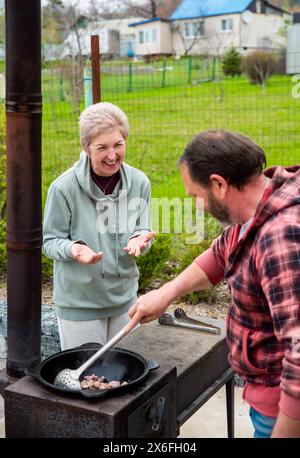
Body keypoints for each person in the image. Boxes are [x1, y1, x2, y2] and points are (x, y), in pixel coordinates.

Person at [127, 129, 300, 438]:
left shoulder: (280, 239)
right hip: (265, 395)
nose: (197, 207)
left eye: (196, 196)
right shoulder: (257, 210)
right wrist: (166, 293)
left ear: (219, 184)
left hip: (282, 411)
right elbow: (220, 254)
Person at [43, 102, 154, 350]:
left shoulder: (139, 182)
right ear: (86, 147)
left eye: (118, 145)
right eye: (102, 147)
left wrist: (140, 240)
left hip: (125, 301)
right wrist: (74, 249)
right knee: (89, 381)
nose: (112, 155)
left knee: (126, 378)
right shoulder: (63, 188)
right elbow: (49, 241)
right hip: (79, 305)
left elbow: (143, 229)